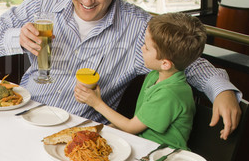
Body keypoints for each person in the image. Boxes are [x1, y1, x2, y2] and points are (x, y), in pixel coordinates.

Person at [0, 0, 242, 138]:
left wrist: (222, 90)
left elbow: (188, 62)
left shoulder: (138, 26)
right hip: (20, 116)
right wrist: (19, 38)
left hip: (77, 136)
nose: (87, 0)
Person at [76, 13, 207, 148]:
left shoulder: (169, 93)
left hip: (162, 155)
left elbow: (131, 127)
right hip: (143, 145)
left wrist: (96, 103)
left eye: (147, 47)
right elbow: (139, 120)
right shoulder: (154, 75)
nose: (142, 48)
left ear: (165, 64)